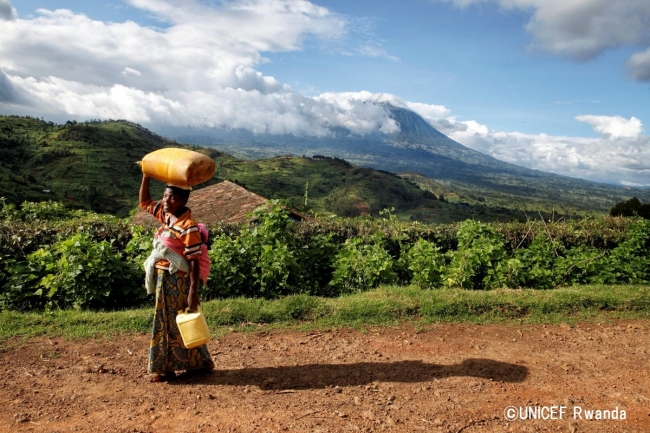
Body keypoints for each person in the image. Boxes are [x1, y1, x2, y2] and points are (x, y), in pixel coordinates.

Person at [139, 174, 214, 383]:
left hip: (179, 280)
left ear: (183, 201)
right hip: (164, 277)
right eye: (164, 196)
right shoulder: (166, 215)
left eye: (171, 198)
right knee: (168, 320)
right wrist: (146, 176)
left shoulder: (188, 226)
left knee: (177, 321)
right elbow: (144, 202)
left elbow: (194, 260)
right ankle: (196, 363)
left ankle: (165, 367)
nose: (165, 201)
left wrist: (193, 292)